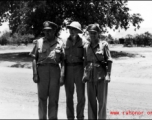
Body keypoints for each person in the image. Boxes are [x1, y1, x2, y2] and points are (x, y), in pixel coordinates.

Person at [30, 21, 64, 119]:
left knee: (54, 99)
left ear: (54, 31)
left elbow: (63, 61)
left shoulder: (60, 42)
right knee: (42, 98)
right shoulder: (39, 42)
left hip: (55, 72)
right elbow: (33, 58)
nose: (47, 33)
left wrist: (62, 76)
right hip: (42, 72)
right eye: (45, 31)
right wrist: (35, 74)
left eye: (49, 31)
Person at [83, 23, 113, 119]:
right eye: (90, 33)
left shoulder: (104, 45)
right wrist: (85, 74)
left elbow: (109, 60)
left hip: (101, 77)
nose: (92, 35)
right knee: (91, 103)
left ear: (98, 33)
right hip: (90, 78)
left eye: (94, 33)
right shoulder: (86, 46)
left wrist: (108, 75)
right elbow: (85, 61)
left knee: (102, 102)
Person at [62, 21, 86, 120]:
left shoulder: (84, 41)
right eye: (70, 29)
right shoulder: (64, 41)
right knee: (69, 96)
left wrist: (85, 73)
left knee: (81, 96)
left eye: (74, 29)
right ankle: (70, 117)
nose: (72, 31)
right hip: (68, 69)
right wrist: (62, 75)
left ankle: (80, 117)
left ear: (78, 31)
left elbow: (86, 59)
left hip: (80, 69)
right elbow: (62, 60)